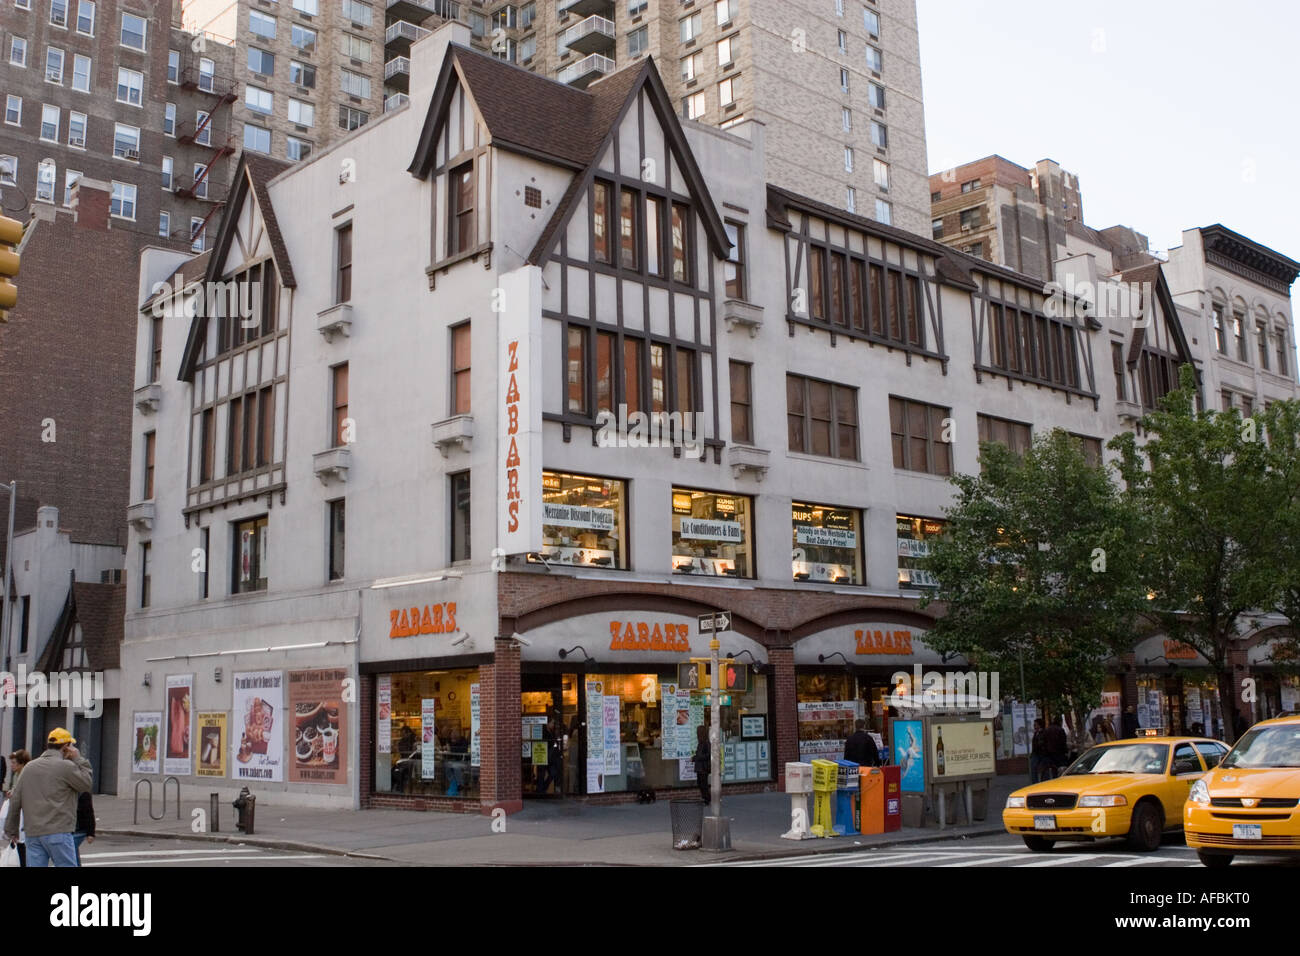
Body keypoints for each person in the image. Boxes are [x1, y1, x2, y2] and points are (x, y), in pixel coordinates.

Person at [4, 728, 93, 868]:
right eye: (71, 746)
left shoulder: (29, 767)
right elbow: (86, 784)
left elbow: (16, 800)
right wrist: (78, 759)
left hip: (33, 832)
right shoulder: (66, 767)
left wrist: (11, 829)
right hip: (58, 831)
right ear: (65, 747)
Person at [3, 750, 30, 866]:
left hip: (24, 816)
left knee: (23, 846)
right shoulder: (16, 775)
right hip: (18, 815)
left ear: (21, 764)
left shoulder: (27, 775)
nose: (11, 765)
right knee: (20, 845)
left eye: (14, 763)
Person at [73, 791, 95, 864]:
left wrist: (90, 833)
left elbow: (89, 813)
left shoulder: (83, 793)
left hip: (78, 829)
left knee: (71, 851)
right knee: (72, 852)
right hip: (68, 829)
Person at [692, 724, 710, 804]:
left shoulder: (706, 743)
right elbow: (699, 754)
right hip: (700, 767)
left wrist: (698, 757)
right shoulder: (700, 742)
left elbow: (709, 755)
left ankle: (707, 799)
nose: (696, 733)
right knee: (700, 783)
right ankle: (705, 797)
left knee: (703, 784)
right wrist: (694, 758)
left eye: (697, 732)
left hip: (703, 767)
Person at [1029, 718, 1048, 783]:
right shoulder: (1036, 733)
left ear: (1039, 725)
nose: (1034, 726)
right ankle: (1035, 783)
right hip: (1036, 753)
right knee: (1033, 768)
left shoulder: (1043, 733)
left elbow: (1041, 743)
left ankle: (1044, 783)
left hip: (1042, 754)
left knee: (1044, 769)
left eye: (1035, 725)